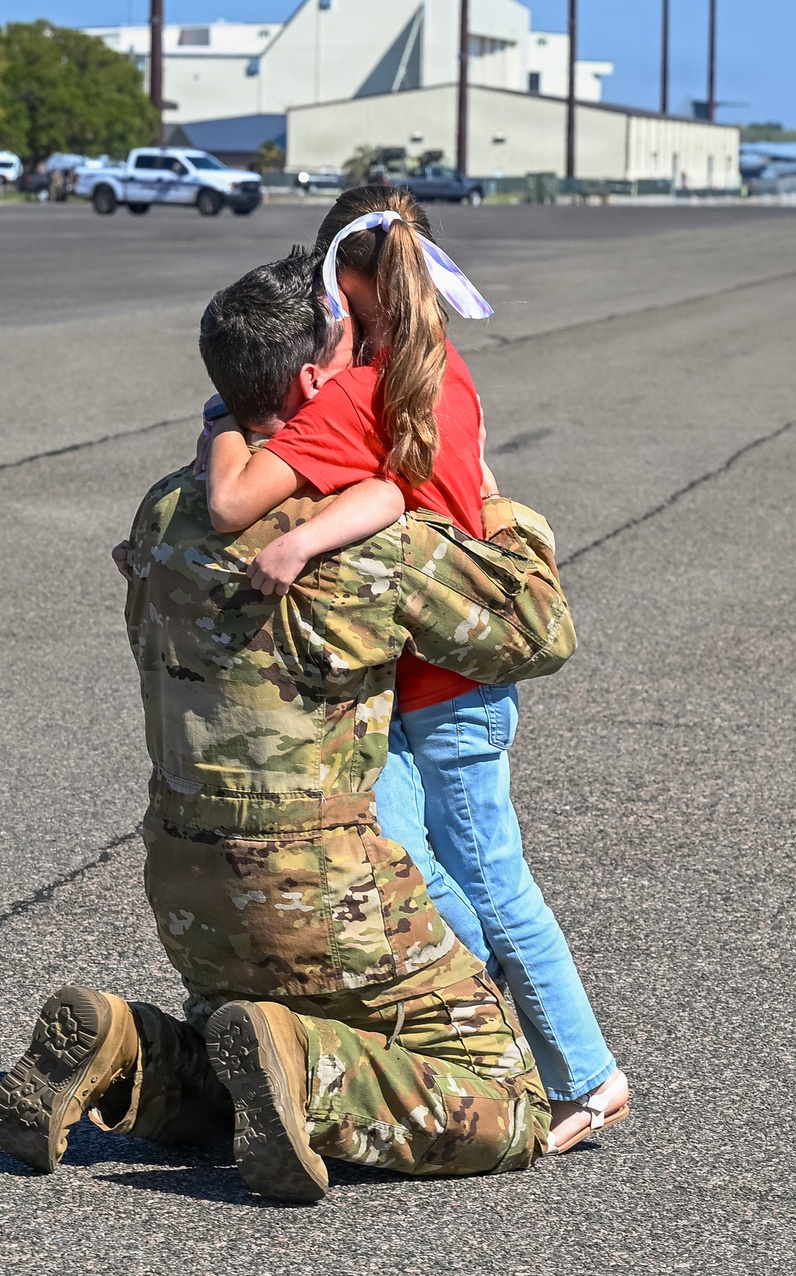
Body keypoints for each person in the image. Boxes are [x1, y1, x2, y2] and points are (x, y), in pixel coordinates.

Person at [0, 252, 577, 1202]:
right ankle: (311, 1065)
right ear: (313, 383)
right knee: (507, 1099)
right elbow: (539, 631)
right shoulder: (369, 536)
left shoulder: (166, 511)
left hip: (190, 891)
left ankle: (134, 1049)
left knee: (245, 1046)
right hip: (329, 897)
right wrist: (493, 504)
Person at [206, 187, 628, 1153]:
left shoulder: (357, 397)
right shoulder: (440, 376)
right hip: (439, 682)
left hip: (447, 696)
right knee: (401, 853)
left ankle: (585, 1075)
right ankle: (473, 1025)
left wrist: (225, 424)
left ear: (342, 295)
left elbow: (236, 502)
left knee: (488, 880)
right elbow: (408, 488)